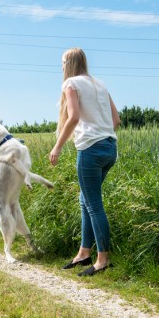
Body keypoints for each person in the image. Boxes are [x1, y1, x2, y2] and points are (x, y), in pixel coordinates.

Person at [49, 47, 120, 277]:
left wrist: (57, 146)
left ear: (68, 63)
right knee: (85, 199)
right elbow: (116, 119)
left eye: (62, 63)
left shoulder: (70, 84)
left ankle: (103, 260)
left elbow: (74, 116)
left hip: (90, 151)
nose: (61, 67)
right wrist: (101, 132)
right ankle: (84, 252)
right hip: (110, 147)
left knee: (93, 205)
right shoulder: (99, 83)